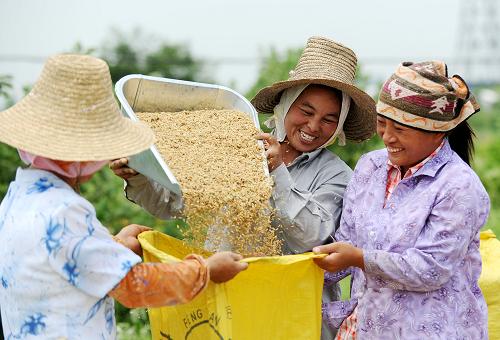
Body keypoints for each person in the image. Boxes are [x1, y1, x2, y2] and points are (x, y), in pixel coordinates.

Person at [111, 36, 377, 339]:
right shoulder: (237, 145)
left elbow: (313, 237)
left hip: (288, 310)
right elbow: (172, 204)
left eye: (329, 119)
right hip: (223, 294)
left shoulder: (338, 176)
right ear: (286, 104)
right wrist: (138, 175)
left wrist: (276, 173)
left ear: (339, 124)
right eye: (306, 110)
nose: (314, 126)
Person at [0, 54, 247, 340]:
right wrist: (204, 270)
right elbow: (133, 286)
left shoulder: (17, 199)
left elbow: (62, 255)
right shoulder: (65, 210)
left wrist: (113, 245)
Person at [313, 61, 489, 339]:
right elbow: (346, 240)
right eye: (382, 124)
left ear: (437, 132)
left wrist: (360, 258)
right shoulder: (370, 167)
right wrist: (297, 266)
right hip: (365, 327)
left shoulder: (458, 185)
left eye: (400, 130)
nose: (387, 137)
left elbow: (431, 269)